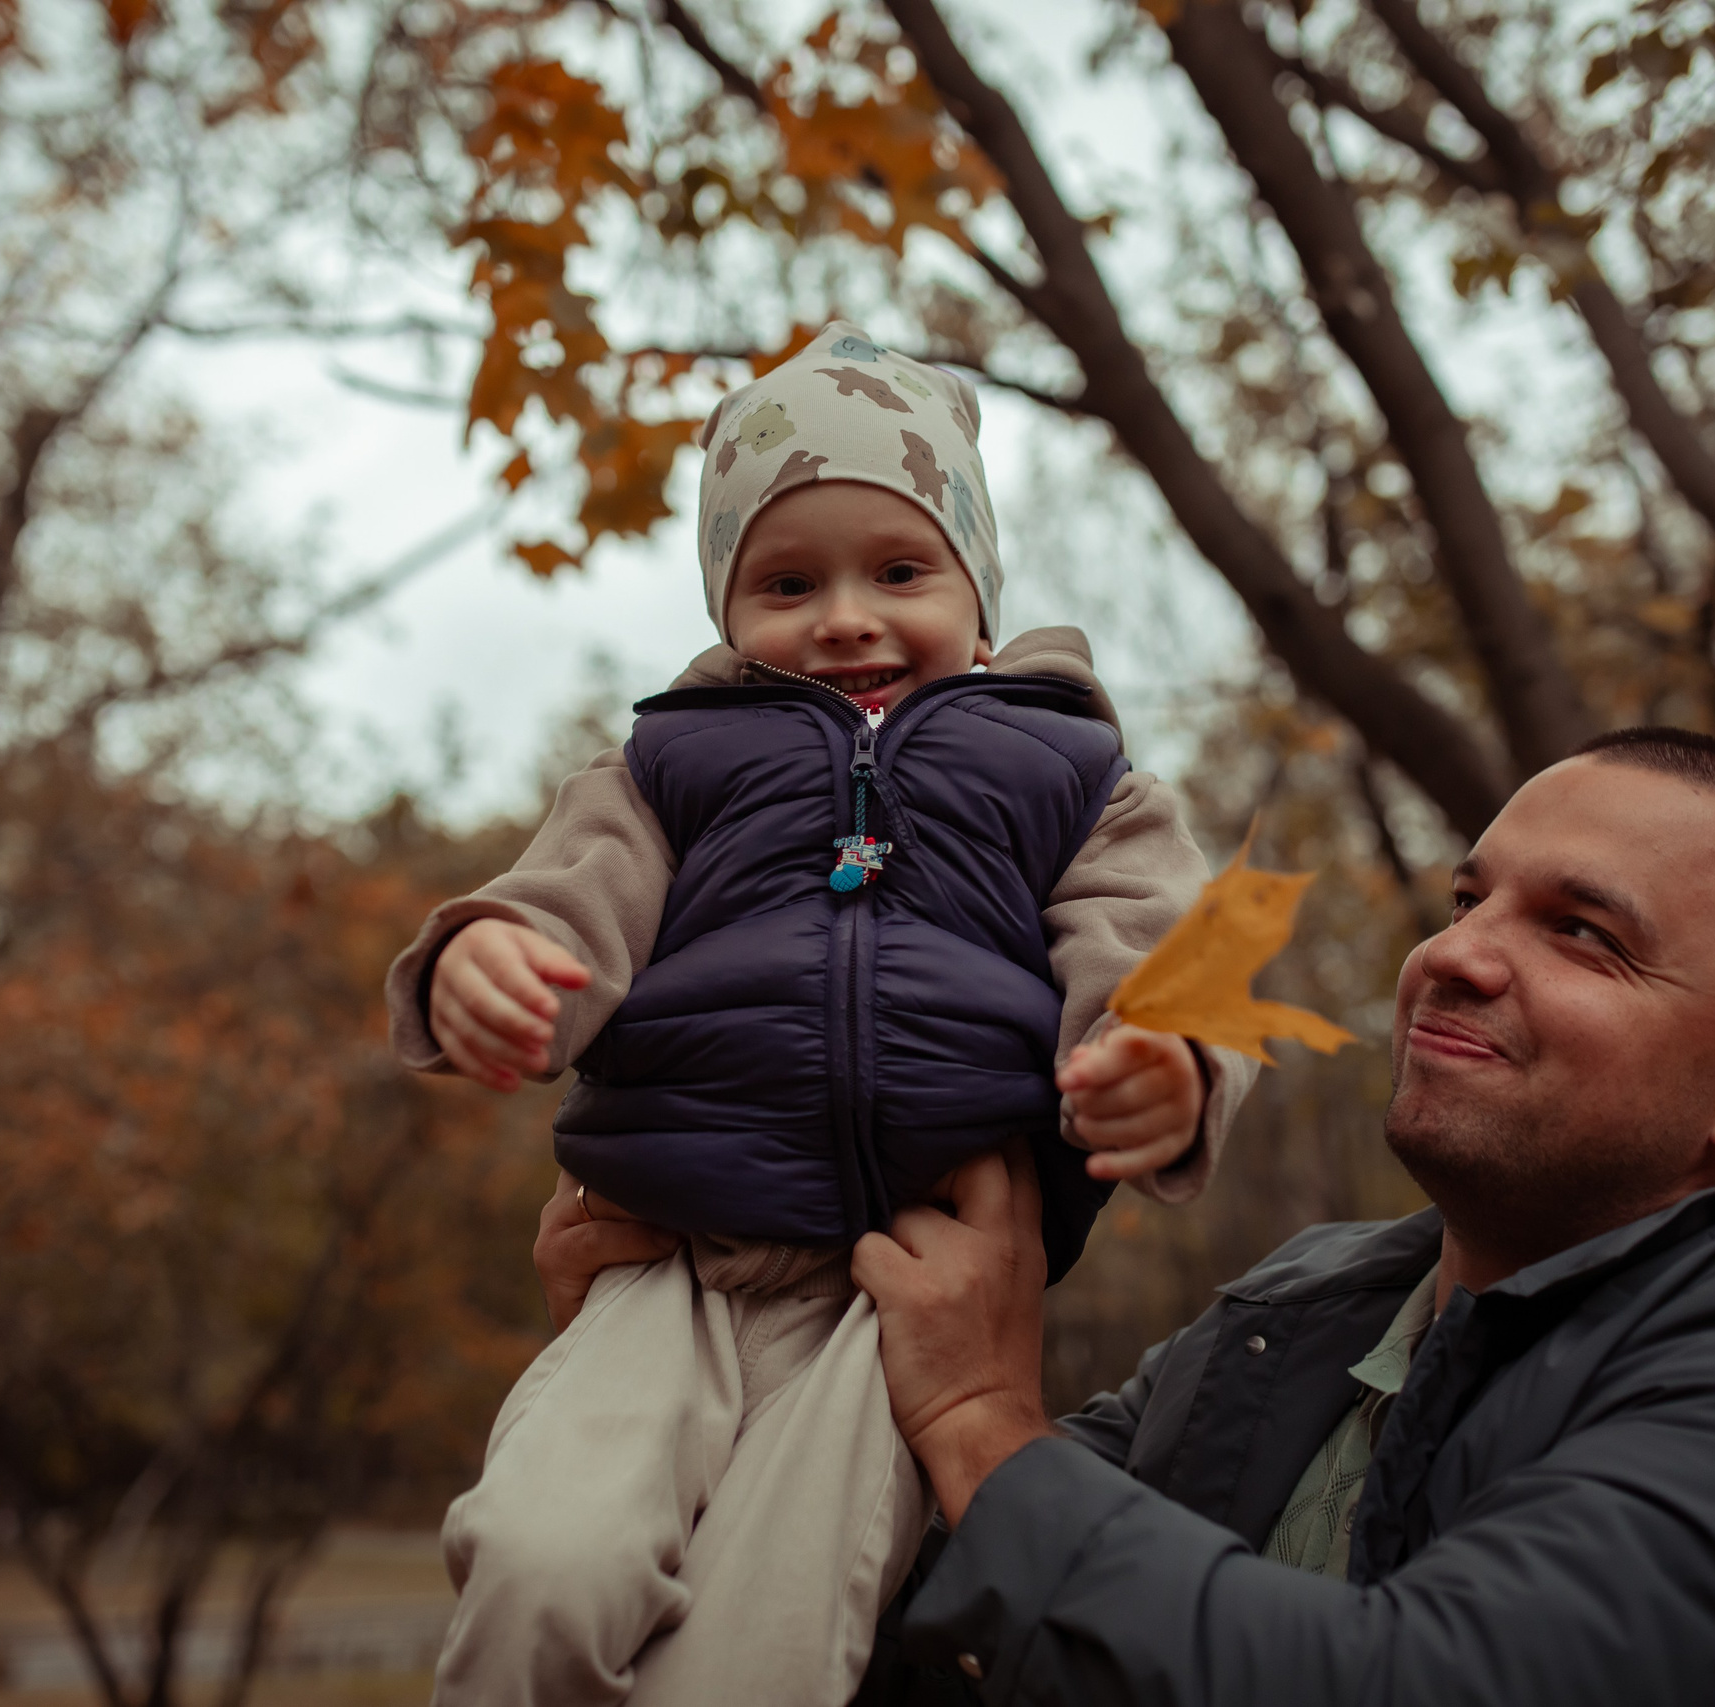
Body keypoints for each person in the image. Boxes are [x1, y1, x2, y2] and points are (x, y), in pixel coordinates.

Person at [538, 728, 1715, 1703]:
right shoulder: (1299, 1314)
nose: (1454, 954)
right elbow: (906, 1625)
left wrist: (987, 1413)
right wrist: (713, 1346)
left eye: (1582, 935)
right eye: (1471, 899)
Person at [386, 322, 1256, 1707]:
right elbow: (567, 896)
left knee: (757, 1656)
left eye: (898, 570)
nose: (845, 615)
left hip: (899, 1290)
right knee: (543, 1569)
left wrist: (1166, 1059)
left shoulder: (1068, 770)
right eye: (789, 581)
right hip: (666, 1266)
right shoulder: (670, 765)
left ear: (979, 597)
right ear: (729, 611)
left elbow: (1163, 943)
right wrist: (481, 956)